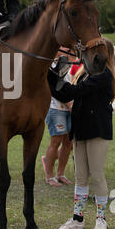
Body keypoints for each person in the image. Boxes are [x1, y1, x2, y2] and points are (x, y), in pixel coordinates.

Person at [48, 38, 115, 229]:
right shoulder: (84, 73)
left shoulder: (104, 75)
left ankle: (101, 218)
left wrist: (51, 74)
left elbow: (75, 91)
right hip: (80, 130)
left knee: (97, 175)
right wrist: (50, 76)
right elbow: (65, 95)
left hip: (97, 130)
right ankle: (78, 219)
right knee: (80, 178)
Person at [42, 49, 74, 187]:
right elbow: (54, 88)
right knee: (56, 141)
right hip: (55, 108)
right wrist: (69, 103)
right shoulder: (49, 65)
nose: (67, 51)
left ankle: (60, 174)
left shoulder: (69, 63)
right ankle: (49, 176)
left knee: (68, 143)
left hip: (70, 107)